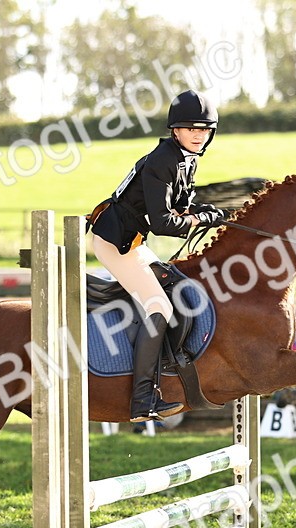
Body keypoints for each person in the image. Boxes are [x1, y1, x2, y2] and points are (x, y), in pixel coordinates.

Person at [87, 89, 228, 422]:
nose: (198, 134)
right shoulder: (163, 160)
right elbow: (164, 223)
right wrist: (202, 219)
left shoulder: (185, 158)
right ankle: (142, 400)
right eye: (191, 128)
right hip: (116, 243)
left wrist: (205, 211)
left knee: (174, 285)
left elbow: (179, 206)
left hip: (134, 242)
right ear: (175, 130)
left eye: (205, 129)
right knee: (159, 307)